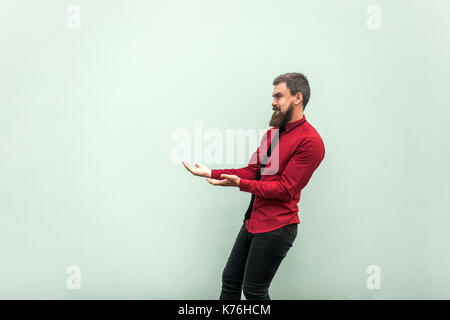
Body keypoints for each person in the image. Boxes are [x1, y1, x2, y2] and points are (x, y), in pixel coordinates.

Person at [182, 72, 325, 300]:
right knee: (230, 281)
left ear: (298, 97)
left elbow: (284, 189)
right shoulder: (272, 135)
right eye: (273, 96)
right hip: (253, 222)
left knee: (254, 291)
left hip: (277, 228)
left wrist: (241, 184)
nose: (273, 102)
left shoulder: (311, 142)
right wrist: (211, 172)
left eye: (279, 96)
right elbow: (253, 172)